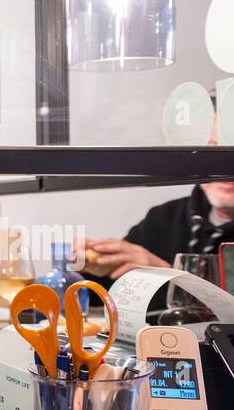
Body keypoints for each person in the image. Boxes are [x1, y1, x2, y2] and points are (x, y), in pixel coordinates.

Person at [84, 108, 234, 281]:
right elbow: (108, 288)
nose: (225, 165)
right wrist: (87, 267)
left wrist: (166, 276)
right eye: (212, 150)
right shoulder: (163, 217)